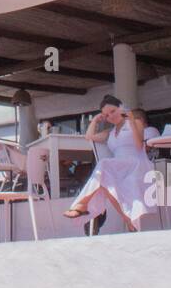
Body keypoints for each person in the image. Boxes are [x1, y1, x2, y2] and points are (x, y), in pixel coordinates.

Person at [63, 97, 157, 232]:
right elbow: (89, 137)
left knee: (104, 166)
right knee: (105, 178)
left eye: (113, 111)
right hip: (118, 168)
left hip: (136, 163)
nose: (110, 116)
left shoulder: (136, 122)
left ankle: (83, 204)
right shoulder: (110, 132)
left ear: (121, 107)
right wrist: (95, 120)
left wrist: (130, 119)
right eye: (106, 115)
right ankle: (127, 220)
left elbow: (138, 146)